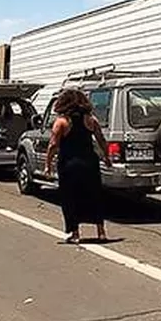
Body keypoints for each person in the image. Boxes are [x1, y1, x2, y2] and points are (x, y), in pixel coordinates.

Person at [45, 88, 111, 244]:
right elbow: (101, 139)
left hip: (69, 164)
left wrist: (48, 164)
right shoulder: (91, 120)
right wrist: (106, 157)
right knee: (94, 195)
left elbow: (53, 145)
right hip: (90, 162)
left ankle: (75, 233)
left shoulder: (62, 122)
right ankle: (101, 231)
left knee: (71, 197)